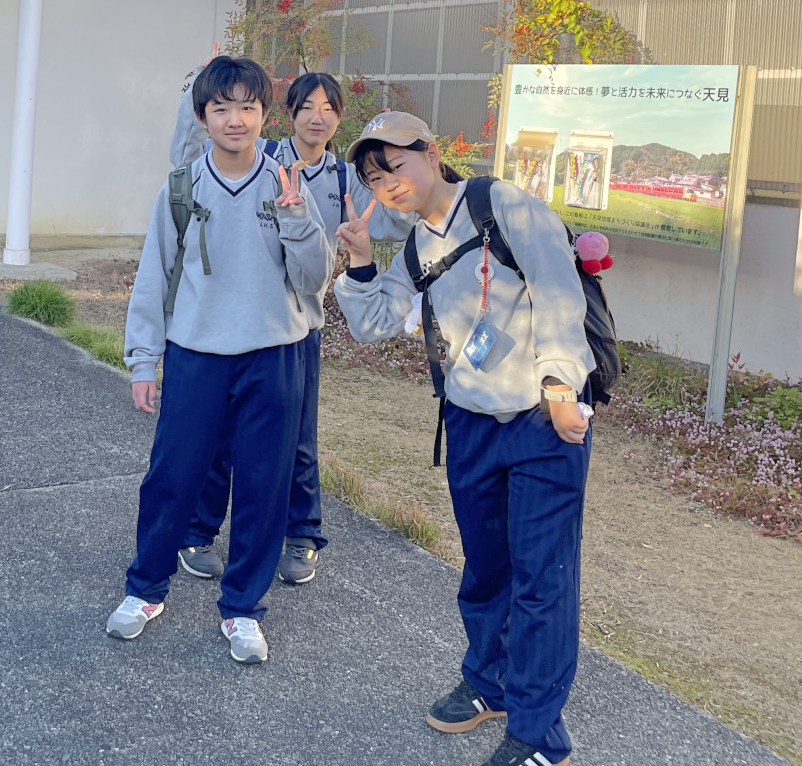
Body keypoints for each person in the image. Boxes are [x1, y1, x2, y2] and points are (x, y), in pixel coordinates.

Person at [333, 111, 593, 766]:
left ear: (430, 153)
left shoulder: (502, 205)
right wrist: (360, 263)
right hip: (470, 422)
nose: (387, 184)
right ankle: (488, 683)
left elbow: (559, 291)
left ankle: (539, 736)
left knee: (542, 578)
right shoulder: (415, 248)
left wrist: (562, 383)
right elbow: (374, 324)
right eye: (374, 178)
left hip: (541, 419)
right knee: (485, 567)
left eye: (394, 166)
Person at [108, 55, 333, 666]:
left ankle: (243, 609)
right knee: (171, 476)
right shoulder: (182, 188)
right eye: (222, 108)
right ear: (203, 116)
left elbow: (316, 278)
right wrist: (144, 361)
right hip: (196, 354)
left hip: (275, 355)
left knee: (264, 485)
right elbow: (153, 277)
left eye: (248, 107)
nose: (236, 119)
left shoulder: (286, 183)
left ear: (264, 115)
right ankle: (145, 590)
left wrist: (295, 218)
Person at [169, 64, 415, 585]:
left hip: (301, 328)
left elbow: (398, 217)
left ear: (339, 119)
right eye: (306, 108)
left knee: (298, 438)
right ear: (287, 114)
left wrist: (415, 181)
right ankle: (199, 532)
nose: (316, 118)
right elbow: (190, 160)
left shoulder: (347, 179)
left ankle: (301, 535)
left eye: (328, 110)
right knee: (218, 432)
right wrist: (195, 93)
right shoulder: (262, 158)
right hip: (240, 317)